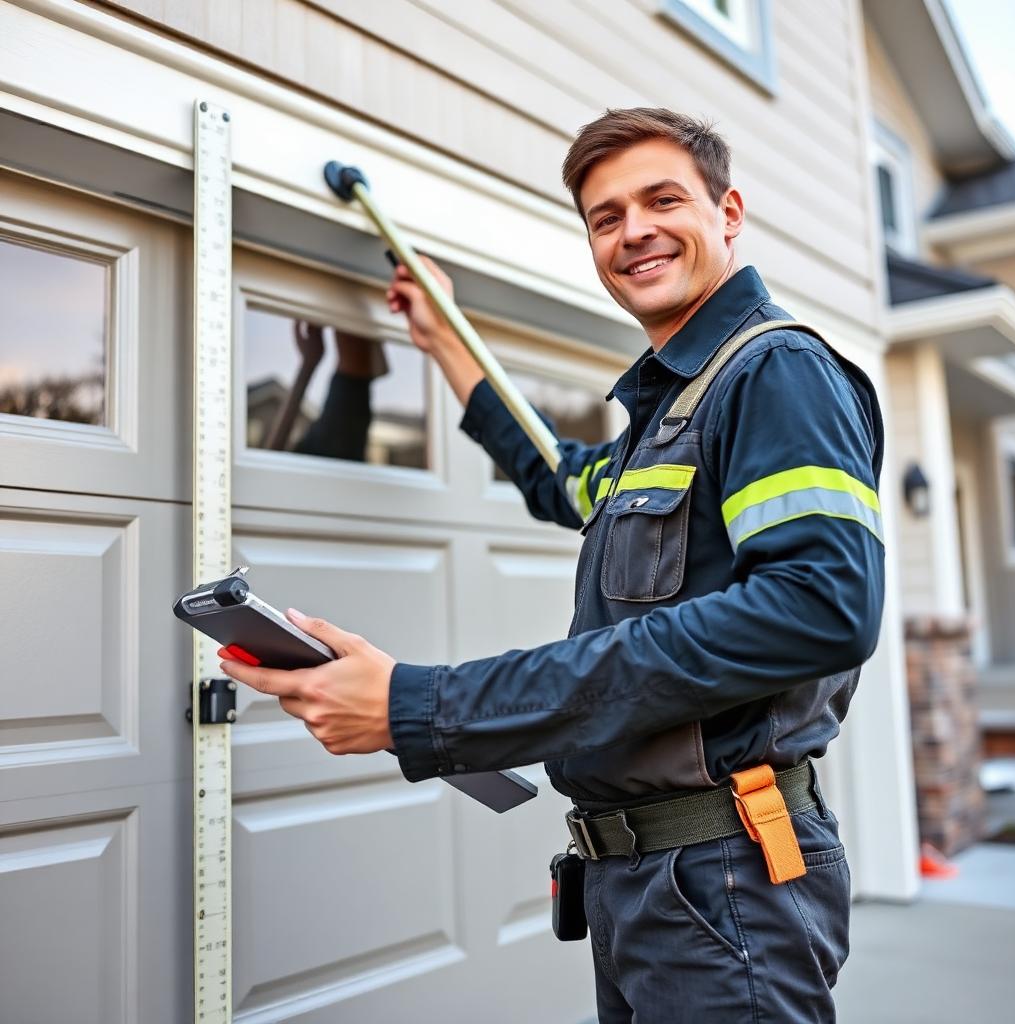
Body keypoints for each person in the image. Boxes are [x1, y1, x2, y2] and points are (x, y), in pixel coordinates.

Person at [220, 107, 885, 1023]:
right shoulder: (672, 414)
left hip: (725, 877)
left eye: (661, 200)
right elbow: (557, 476)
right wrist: (446, 339)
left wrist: (421, 704)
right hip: (648, 884)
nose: (633, 231)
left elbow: (818, 609)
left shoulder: (777, 374)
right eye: (605, 217)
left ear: (729, 211)